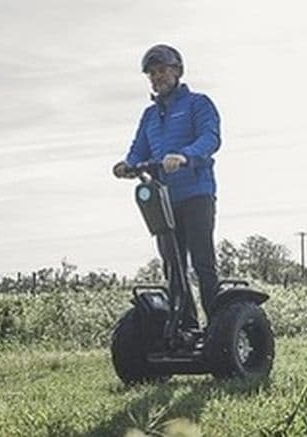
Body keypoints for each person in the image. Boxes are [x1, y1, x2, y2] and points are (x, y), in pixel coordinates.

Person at [112, 44, 222, 328]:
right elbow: (139, 149)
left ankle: (219, 327)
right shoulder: (150, 115)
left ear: (177, 71)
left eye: (161, 71)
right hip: (163, 199)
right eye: (151, 74)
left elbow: (210, 138)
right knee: (172, 266)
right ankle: (185, 326)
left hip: (197, 194)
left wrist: (185, 156)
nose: (156, 77)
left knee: (202, 263)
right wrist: (127, 164)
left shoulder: (198, 104)